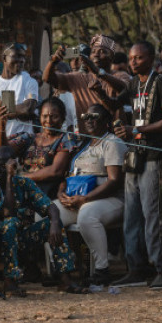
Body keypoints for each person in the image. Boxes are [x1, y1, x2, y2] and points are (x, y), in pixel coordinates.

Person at [109, 41, 162, 289]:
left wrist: (136, 129)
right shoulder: (132, 84)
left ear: (151, 58)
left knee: (152, 215)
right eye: (131, 58)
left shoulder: (161, 82)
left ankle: (161, 268)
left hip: (154, 156)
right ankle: (135, 268)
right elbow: (115, 104)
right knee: (132, 216)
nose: (133, 62)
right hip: (134, 156)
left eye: (138, 58)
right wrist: (97, 88)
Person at [0, 146, 85, 296]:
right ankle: (10, 281)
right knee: (10, 224)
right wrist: (9, 178)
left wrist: (55, 223)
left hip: (21, 238)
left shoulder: (24, 183)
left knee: (54, 222)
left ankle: (65, 280)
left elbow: (49, 206)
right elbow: (7, 213)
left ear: (13, 164)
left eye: (2, 165)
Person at [53, 104, 127, 286]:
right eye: (86, 117)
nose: (90, 120)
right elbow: (67, 176)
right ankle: (65, 268)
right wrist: (61, 194)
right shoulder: (82, 144)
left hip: (109, 200)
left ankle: (102, 270)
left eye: (95, 117)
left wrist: (85, 199)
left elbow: (114, 180)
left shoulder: (112, 142)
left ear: (106, 121)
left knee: (87, 214)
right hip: (76, 198)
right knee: (49, 212)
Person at [42, 36, 129, 134]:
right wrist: (53, 61)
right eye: (93, 51)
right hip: (87, 141)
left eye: (102, 51)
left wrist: (98, 72)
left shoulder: (120, 75)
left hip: (114, 138)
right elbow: (47, 78)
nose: (96, 54)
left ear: (111, 57)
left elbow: (124, 89)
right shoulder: (79, 77)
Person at [0, 97, 76, 199]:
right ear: (40, 117)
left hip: (46, 196)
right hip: (22, 193)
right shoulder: (30, 138)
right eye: (45, 116)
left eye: (54, 116)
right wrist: (2, 125)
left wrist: (21, 177)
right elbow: (2, 153)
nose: (49, 121)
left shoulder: (65, 140)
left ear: (63, 118)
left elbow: (55, 171)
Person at [0, 44, 38, 137]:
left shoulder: (29, 81)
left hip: (24, 142)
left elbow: (27, 109)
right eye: (16, 56)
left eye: (23, 56)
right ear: (4, 58)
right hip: (1, 142)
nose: (21, 60)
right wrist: (16, 113)